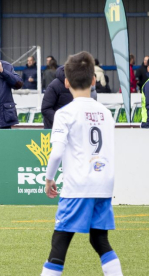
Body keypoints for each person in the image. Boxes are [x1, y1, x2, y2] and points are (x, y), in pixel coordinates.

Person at [41, 51, 123, 276]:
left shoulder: (65, 113)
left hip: (78, 186)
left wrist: (49, 179)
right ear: (94, 80)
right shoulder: (106, 113)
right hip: (104, 185)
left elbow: (56, 152)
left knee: (59, 245)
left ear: (66, 82)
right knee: (99, 241)